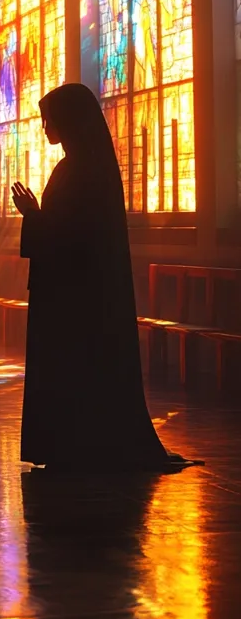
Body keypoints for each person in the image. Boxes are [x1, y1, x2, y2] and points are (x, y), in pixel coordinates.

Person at [11, 83, 193, 472]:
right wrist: (37, 217)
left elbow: (75, 237)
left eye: (49, 120)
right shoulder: (75, 167)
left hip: (78, 298)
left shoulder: (85, 172)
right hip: (66, 292)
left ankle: (78, 446)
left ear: (70, 121)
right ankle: (65, 446)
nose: (45, 128)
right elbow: (66, 230)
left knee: (76, 368)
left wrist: (33, 216)